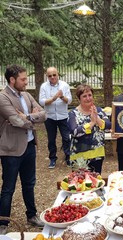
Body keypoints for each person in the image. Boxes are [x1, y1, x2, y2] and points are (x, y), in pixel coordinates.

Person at [0, 65, 46, 234]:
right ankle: (3, 223)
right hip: (11, 150)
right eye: (23, 79)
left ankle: (32, 216)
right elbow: (15, 121)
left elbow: (44, 114)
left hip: (29, 146)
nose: (26, 82)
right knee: (8, 188)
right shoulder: (2, 97)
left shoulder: (26, 95)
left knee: (29, 184)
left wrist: (26, 116)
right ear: (12, 80)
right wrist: (32, 119)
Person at [67, 84, 111, 174]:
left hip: (97, 154)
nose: (88, 98)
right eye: (84, 96)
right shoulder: (73, 114)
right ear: (79, 98)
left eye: (90, 95)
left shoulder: (99, 111)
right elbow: (75, 131)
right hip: (79, 156)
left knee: (96, 181)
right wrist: (91, 123)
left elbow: (108, 125)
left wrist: (97, 119)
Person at [39, 67, 72, 168]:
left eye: (54, 75)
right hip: (50, 117)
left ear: (58, 74)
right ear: (47, 76)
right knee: (51, 139)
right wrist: (53, 98)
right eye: (50, 75)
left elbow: (69, 100)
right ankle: (52, 159)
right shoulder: (44, 86)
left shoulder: (64, 85)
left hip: (63, 116)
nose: (52, 77)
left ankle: (68, 157)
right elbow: (41, 101)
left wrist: (62, 97)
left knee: (66, 138)